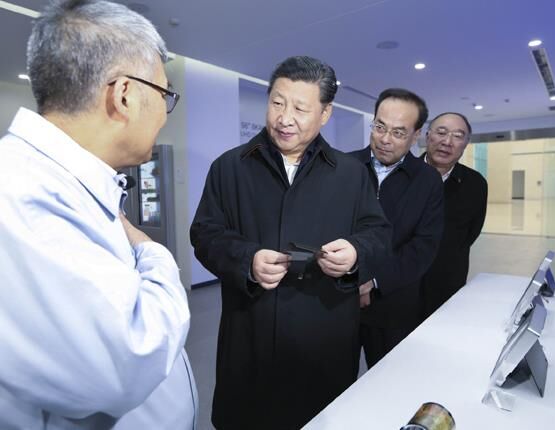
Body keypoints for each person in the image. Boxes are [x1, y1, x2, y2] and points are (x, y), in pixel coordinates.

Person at [0, 1, 197, 429]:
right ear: (124, 94)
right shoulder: (21, 195)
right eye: (164, 95)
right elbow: (131, 357)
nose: (164, 115)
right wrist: (154, 253)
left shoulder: (63, 184)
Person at [189, 56, 390, 429]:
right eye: (277, 103)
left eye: (300, 108)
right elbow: (204, 233)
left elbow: (378, 233)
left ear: (325, 113)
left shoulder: (350, 173)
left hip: (324, 335)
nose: (285, 118)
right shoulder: (229, 167)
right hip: (251, 331)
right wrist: (247, 260)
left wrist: (355, 253)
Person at [349, 88, 444, 368]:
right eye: (380, 127)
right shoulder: (344, 167)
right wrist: (353, 280)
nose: (385, 139)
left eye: (399, 132)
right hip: (339, 301)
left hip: (393, 303)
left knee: (387, 381)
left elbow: (423, 246)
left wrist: (373, 281)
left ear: (416, 135)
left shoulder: (427, 180)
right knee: (332, 384)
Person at [421, 112, 488, 318]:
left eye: (458, 136)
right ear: (427, 136)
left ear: (466, 144)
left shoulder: (475, 184)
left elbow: (471, 233)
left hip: (447, 283)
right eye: (441, 132)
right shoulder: (401, 174)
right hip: (398, 288)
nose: (447, 142)